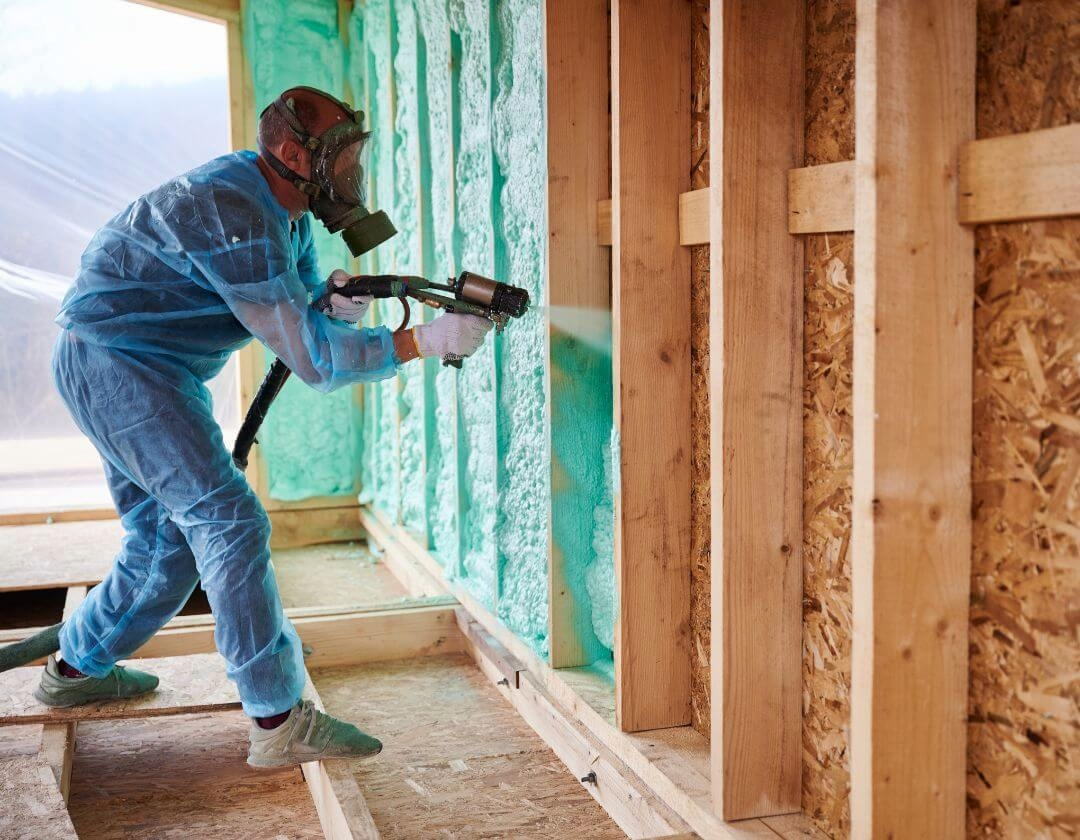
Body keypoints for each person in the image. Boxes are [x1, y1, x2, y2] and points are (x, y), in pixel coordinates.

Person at [36, 86, 491, 767]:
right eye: (342, 158)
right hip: (119, 364)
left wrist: (334, 306)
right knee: (228, 522)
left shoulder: (290, 214)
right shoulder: (235, 210)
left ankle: (75, 671)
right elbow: (312, 362)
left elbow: (303, 319)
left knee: (168, 542)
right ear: (291, 152)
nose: (351, 175)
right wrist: (421, 342)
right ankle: (277, 720)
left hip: (136, 364)